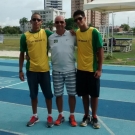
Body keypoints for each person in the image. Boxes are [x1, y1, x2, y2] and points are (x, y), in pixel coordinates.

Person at [19, 13, 54, 128]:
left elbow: (59, 37)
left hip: (44, 70)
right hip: (31, 70)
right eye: (33, 19)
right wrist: (20, 70)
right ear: (30, 21)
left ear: (41, 22)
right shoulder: (25, 36)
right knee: (33, 95)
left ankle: (49, 116)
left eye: (38, 20)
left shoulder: (46, 33)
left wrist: (70, 33)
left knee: (48, 95)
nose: (36, 21)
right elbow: (22, 54)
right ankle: (35, 115)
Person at [73, 10, 104, 129]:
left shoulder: (94, 32)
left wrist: (100, 69)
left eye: (80, 18)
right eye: (76, 20)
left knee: (94, 95)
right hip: (81, 69)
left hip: (92, 69)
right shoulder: (76, 33)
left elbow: (100, 50)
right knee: (84, 94)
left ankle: (94, 116)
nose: (78, 21)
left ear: (85, 18)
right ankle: (86, 115)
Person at [48, 16, 77, 127]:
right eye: (57, 22)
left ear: (65, 23)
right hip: (56, 71)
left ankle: (72, 115)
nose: (59, 24)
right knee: (58, 95)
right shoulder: (50, 37)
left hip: (70, 70)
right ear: (54, 24)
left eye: (61, 22)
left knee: (71, 94)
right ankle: (60, 115)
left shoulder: (73, 35)